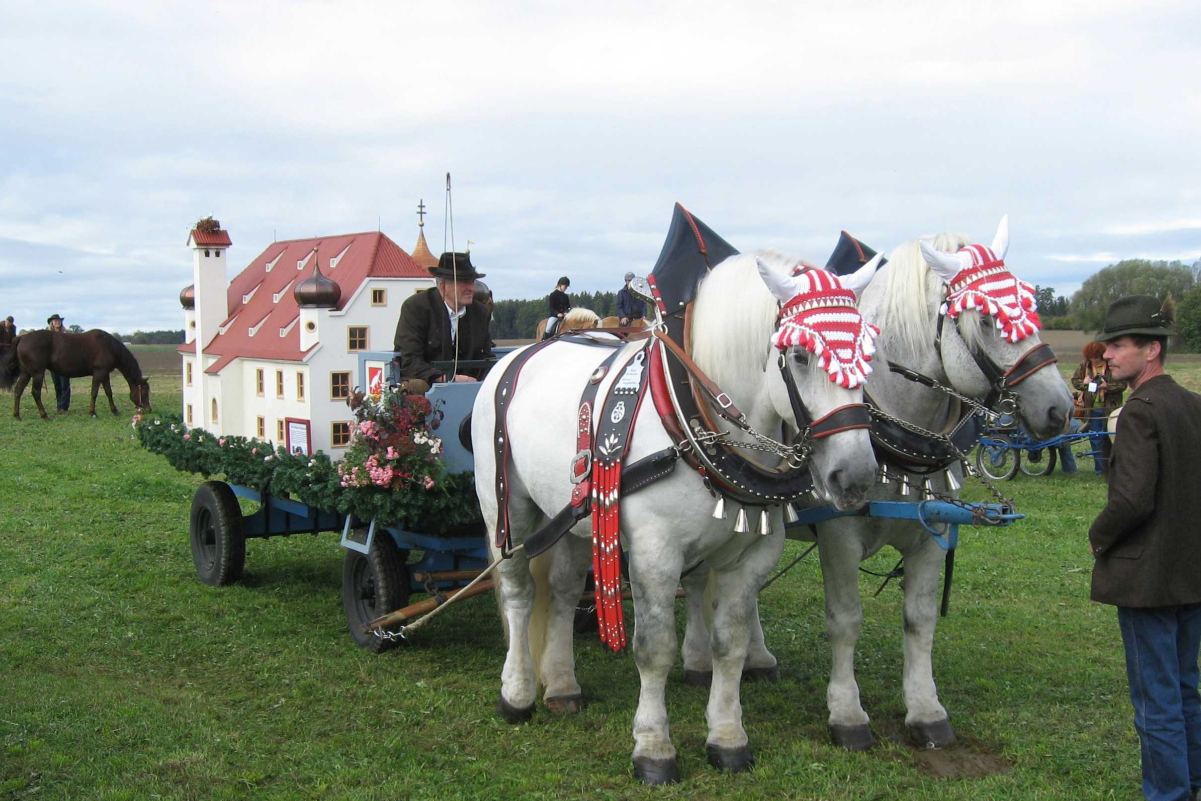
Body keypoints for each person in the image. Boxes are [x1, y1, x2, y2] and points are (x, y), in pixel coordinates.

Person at [1088, 295, 1201, 801]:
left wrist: (1099, 536)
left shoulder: (1139, 411)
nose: (1107, 355)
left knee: (1156, 699)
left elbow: (1132, 499)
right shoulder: (1191, 404)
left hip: (1148, 580)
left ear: (1151, 350)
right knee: (1184, 689)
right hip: (1191, 573)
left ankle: (1168, 794)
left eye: (1118, 345)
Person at [392, 252, 493, 393]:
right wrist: (447, 378)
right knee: (417, 386)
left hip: (470, 387)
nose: (471, 288)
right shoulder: (416, 307)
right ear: (443, 287)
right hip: (428, 384)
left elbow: (485, 357)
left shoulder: (481, 313)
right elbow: (410, 360)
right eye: (464, 282)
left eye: (472, 282)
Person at [1072, 340, 1127, 475]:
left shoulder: (1113, 366)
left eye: (1097, 357)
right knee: (1095, 439)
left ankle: (1113, 468)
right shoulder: (1084, 366)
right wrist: (1085, 384)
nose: (1095, 360)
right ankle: (1100, 470)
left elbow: (1122, 385)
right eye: (1091, 357)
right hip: (1091, 410)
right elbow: (1075, 381)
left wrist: (1106, 387)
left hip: (1110, 410)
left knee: (1110, 438)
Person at [46, 314, 70, 412]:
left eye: (59, 321)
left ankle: (64, 406)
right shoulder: (48, 335)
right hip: (53, 364)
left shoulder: (66, 334)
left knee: (64, 384)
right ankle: (59, 405)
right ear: (52, 323)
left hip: (65, 363)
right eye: (55, 321)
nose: (57, 322)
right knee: (57, 384)